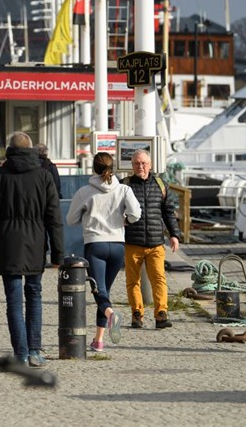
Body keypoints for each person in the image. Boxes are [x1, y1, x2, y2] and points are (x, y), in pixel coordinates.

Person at [0, 131, 63, 367]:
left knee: (13, 300)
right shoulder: (44, 177)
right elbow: (54, 217)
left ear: (9, 151)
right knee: (34, 295)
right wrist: (57, 253)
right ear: (32, 150)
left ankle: (20, 353)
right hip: (35, 243)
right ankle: (34, 350)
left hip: (7, 244)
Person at [66, 152, 142, 352]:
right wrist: (124, 220)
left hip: (95, 245)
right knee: (104, 291)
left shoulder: (85, 191)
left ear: (93, 169)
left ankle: (110, 315)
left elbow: (70, 219)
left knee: (98, 291)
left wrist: (86, 214)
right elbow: (136, 214)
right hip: (117, 245)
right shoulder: (124, 189)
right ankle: (99, 340)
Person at [122, 150, 182, 329]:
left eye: (143, 163)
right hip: (132, 241)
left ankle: (161, 314)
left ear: (150, 165)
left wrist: (174, 235)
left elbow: (168, 212)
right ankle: (137, 314)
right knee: (133, 281)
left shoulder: (161, 185)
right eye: (136, 163)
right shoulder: (124, 185)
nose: (140, 166)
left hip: (156, 242)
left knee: (159, 279)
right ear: (132, 166)